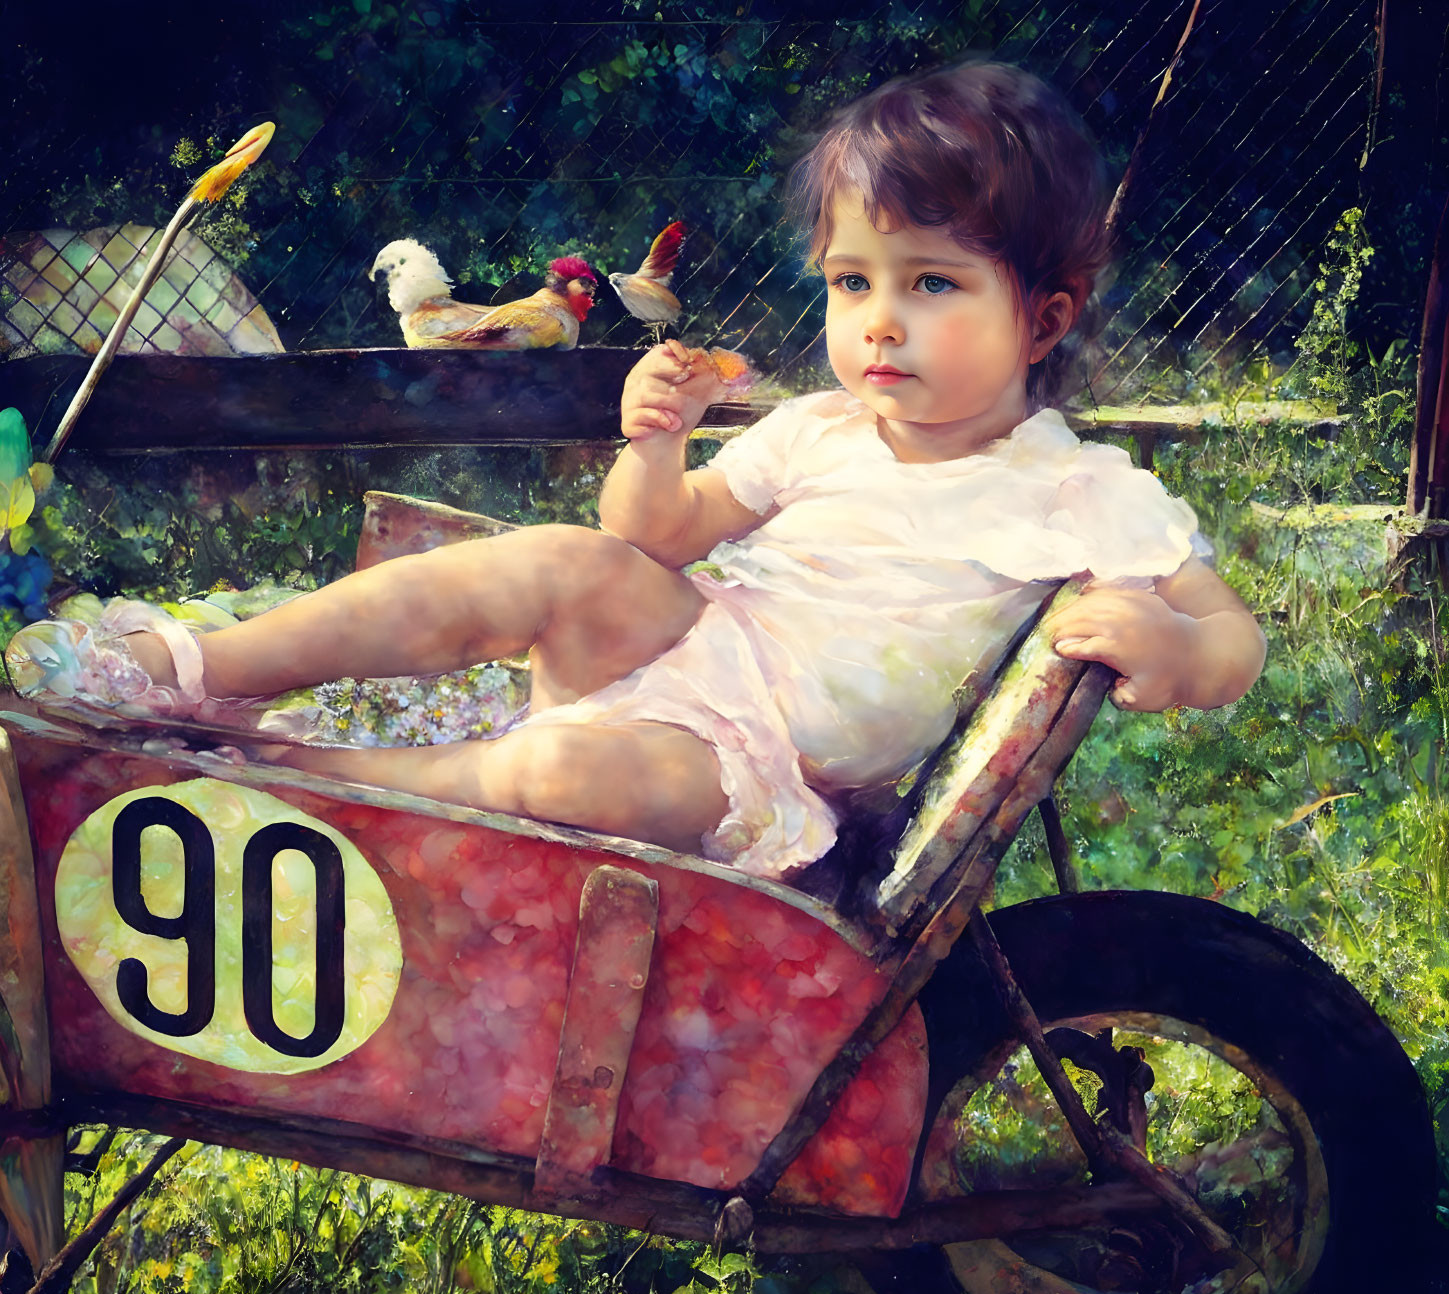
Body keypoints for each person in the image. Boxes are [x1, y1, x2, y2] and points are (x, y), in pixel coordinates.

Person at [5, 61, 1264, 881]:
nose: (879, 323)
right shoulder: (818, 429)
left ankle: (320, 785)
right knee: (564, 558)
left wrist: (1178, 648)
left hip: (763, 774)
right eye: (851, 284)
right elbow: (655, 537)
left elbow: (1229, 634)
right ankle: (193, 671)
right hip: (687, 646)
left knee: (561, 771)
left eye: (932, 285)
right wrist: (653, 447)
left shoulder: (1080, 489)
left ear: (1042, 319)